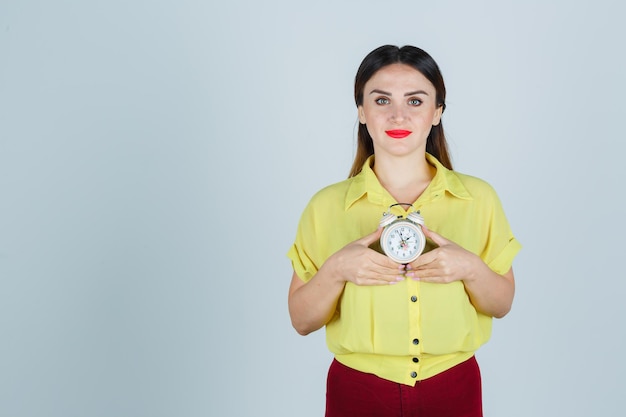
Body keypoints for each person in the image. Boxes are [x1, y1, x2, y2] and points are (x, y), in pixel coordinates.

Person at [287, 45, 521, 417]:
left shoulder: (479, 199)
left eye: (415, 101)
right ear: (362, 111)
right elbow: (301, 320)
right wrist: (337, 270)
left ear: (437, 112)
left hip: (453, 384)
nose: (398, 115)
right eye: (381, 101)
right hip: (359, 387)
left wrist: (469, 268)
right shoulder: (326, 206)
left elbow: (502, 304)